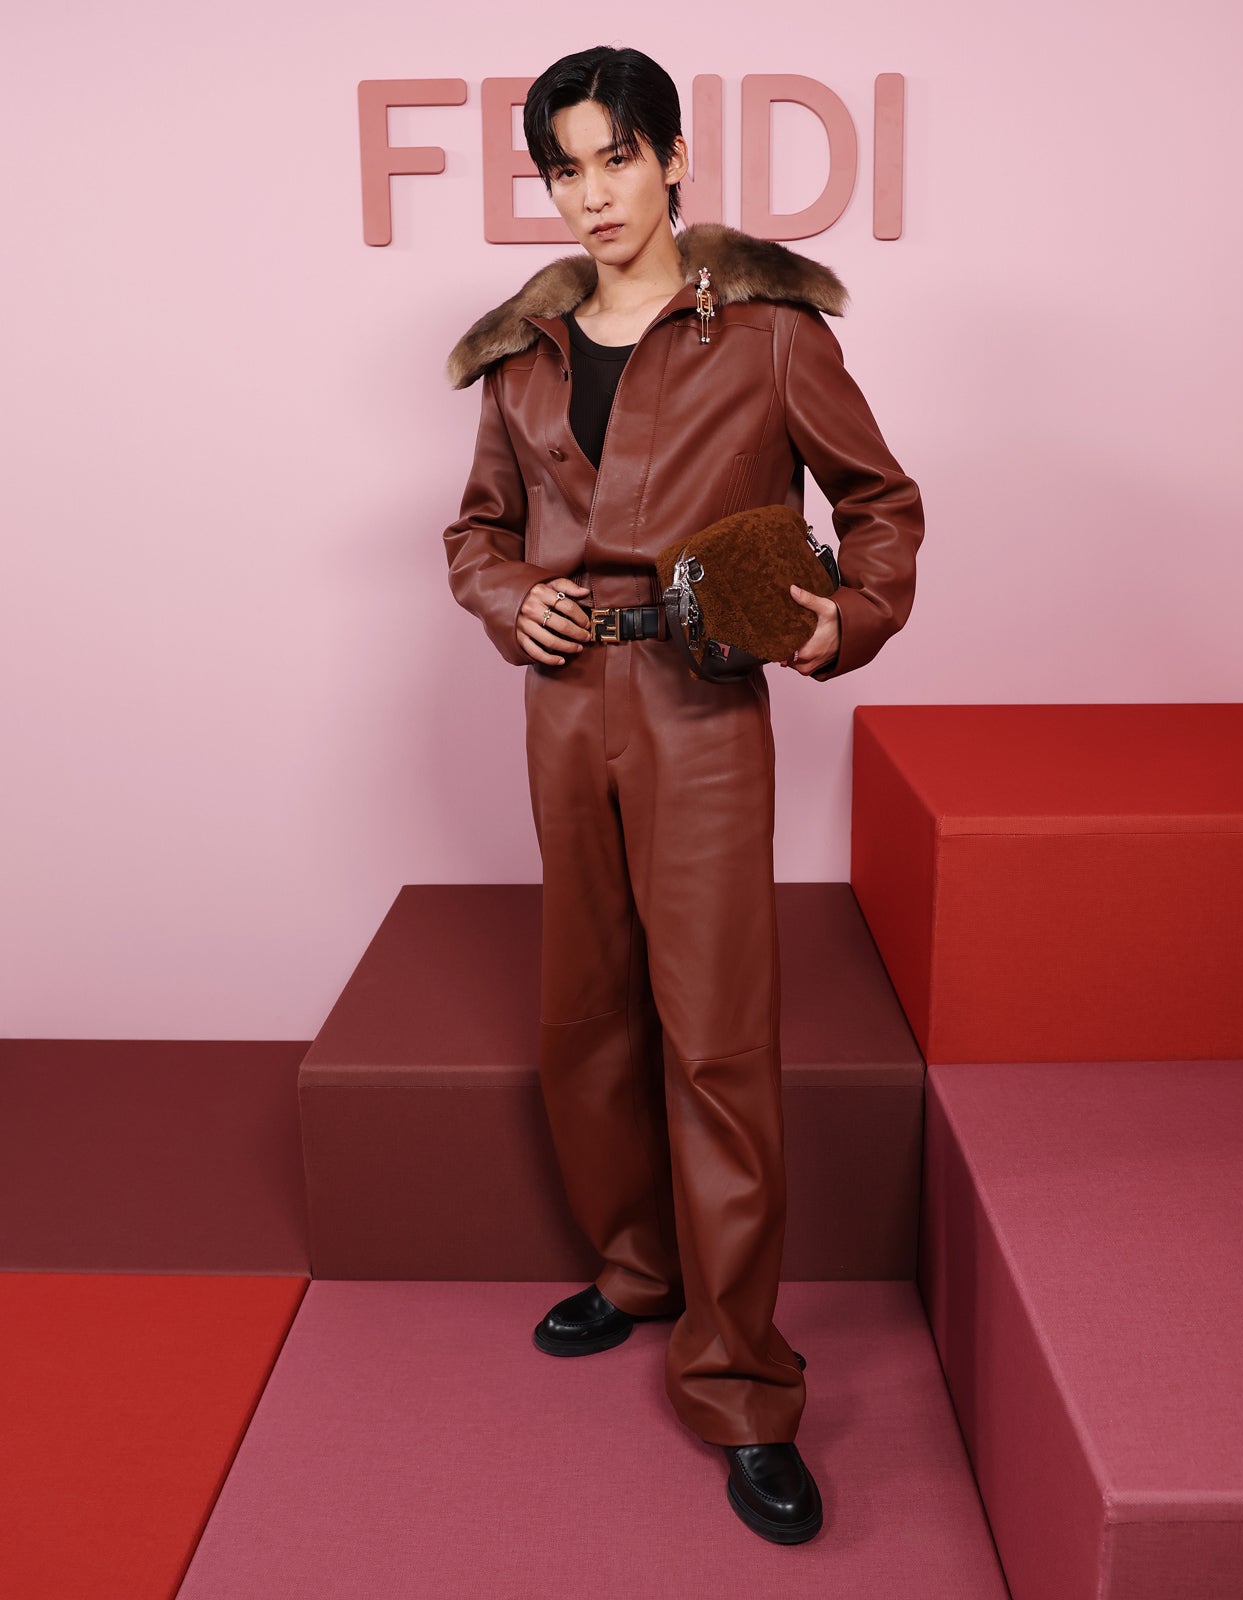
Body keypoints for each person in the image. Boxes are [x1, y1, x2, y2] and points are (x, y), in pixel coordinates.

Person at [442, 44, 924, 1545]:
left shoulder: (769, 334)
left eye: (615, 159)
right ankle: (637, 1267)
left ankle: (741, 1384)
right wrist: (510, 597)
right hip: (561, 708)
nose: (592, 195)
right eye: (564, 170)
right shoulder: (521, 358)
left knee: (716, 1038)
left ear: (670, 162)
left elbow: (878, 503)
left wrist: (846, 618)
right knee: (586, 1014)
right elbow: (475, 531)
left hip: (703, 704)